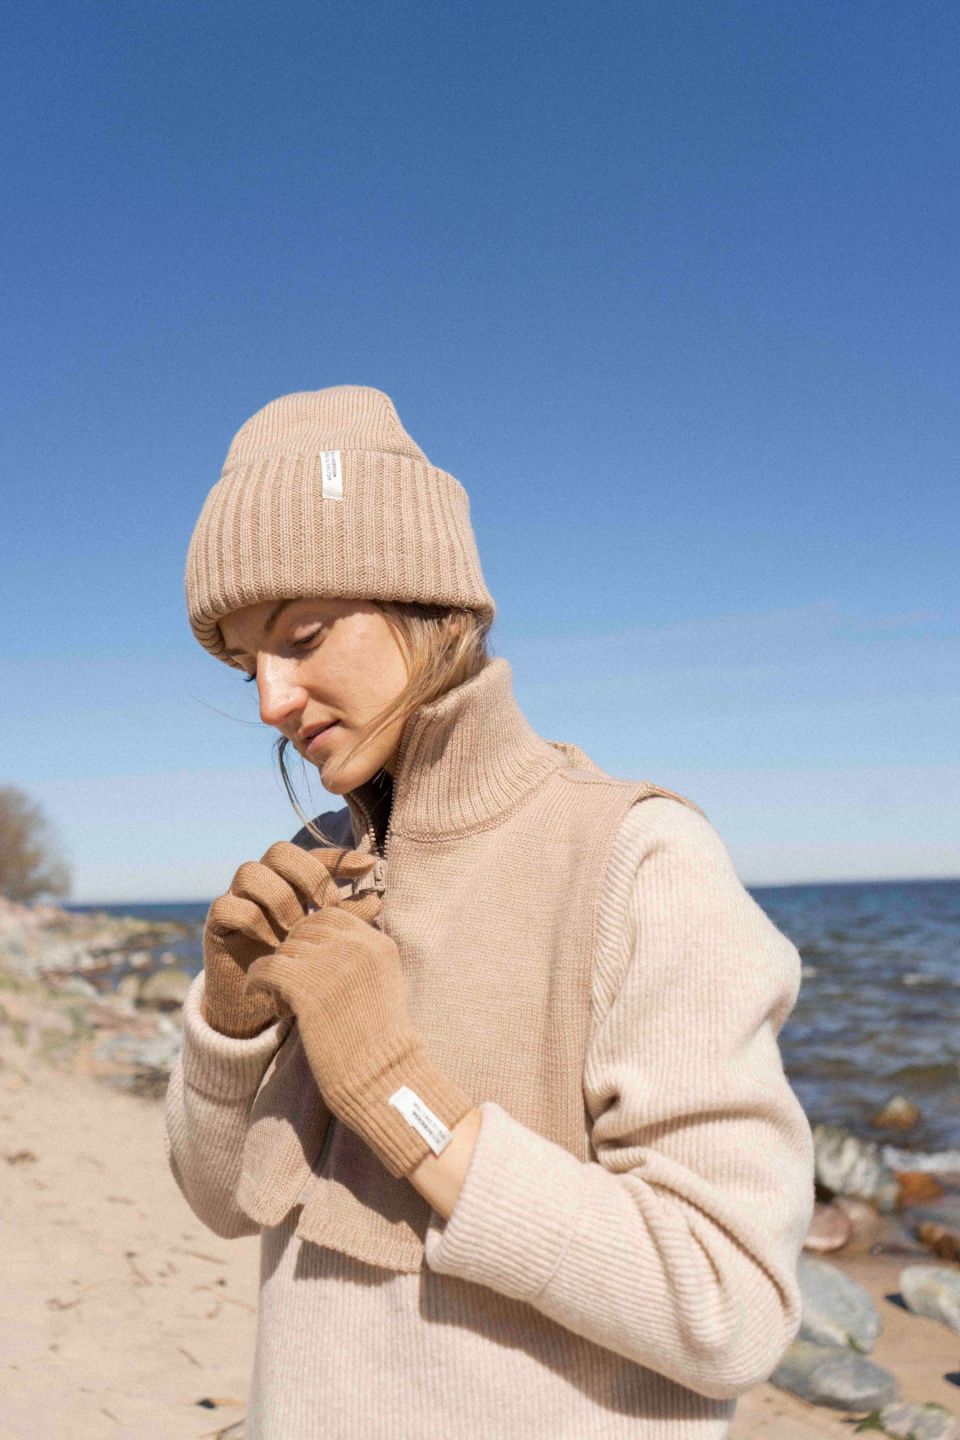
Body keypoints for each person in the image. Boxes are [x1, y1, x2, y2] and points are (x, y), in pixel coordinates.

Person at [163, 385, 815, 1440]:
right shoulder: (316, 867)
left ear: (432, 605)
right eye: (248, 667)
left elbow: (730, 1307)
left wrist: (396, 1092)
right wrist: (230, 1030)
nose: (272, 702)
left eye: (304, 636)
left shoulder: (639, 859)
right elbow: (221, 1203)